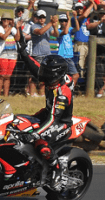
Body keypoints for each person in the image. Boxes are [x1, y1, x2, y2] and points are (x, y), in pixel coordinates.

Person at [14, 50, 75, 191]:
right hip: (47, 114)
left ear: (55, 75)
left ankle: (57, 170)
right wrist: (23, 52)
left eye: (47, 72)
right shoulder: (52, 78)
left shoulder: (61, 94)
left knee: (41, 144)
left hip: (60, 123)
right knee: (19, 122)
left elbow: (53, 119)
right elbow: (35, 67)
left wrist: (35, 134)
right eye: (44, 71)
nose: (43, 74)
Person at [29, 10, 59, 96]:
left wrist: (54, 26)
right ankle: (32, 93)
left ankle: (42, 93)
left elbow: (56, 34)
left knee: (45, 76)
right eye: (40, 17)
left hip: (47, 54)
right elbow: (40, 32)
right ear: (37, 18)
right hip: (37, 54)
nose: (42, 19)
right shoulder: (34, 26)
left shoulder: (48, 26)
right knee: (35, 75)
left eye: (43, 17)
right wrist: (50, 23)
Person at [0, 11, 20, 96]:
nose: (6, 21)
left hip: (12, 55)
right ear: (2, 20)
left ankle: (5, 94)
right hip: (1, 54)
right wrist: (11, 28)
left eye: (8, 19)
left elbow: (18, 38)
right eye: (4, 19)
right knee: (1, 75)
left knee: (8, 76)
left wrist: (17, 28)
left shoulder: (13, 29)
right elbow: (3, 37)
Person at [70, 2, 93, 81]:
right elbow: (84, 15)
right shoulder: (75, 19)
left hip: (88, 44)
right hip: (80, 44)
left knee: (88, 64)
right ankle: (79, 82)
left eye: (81, 8)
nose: (79, 10)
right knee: (80, 64)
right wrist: (91, 4)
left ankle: (84, 82)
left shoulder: (88, 19)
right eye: (77, 9)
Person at [57, 12, 78, 86]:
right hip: (63, 55)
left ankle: (67, 89)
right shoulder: (58, 31)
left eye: (65, 20)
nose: (64, 22)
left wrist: (75, 17)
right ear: (59, 22)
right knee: (75, 75)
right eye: (62, 20)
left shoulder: (70, 29)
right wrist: (69, 20)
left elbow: (77, 29)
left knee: (67, 76)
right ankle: (69, 90)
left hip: (69, 56)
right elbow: (65, 32)